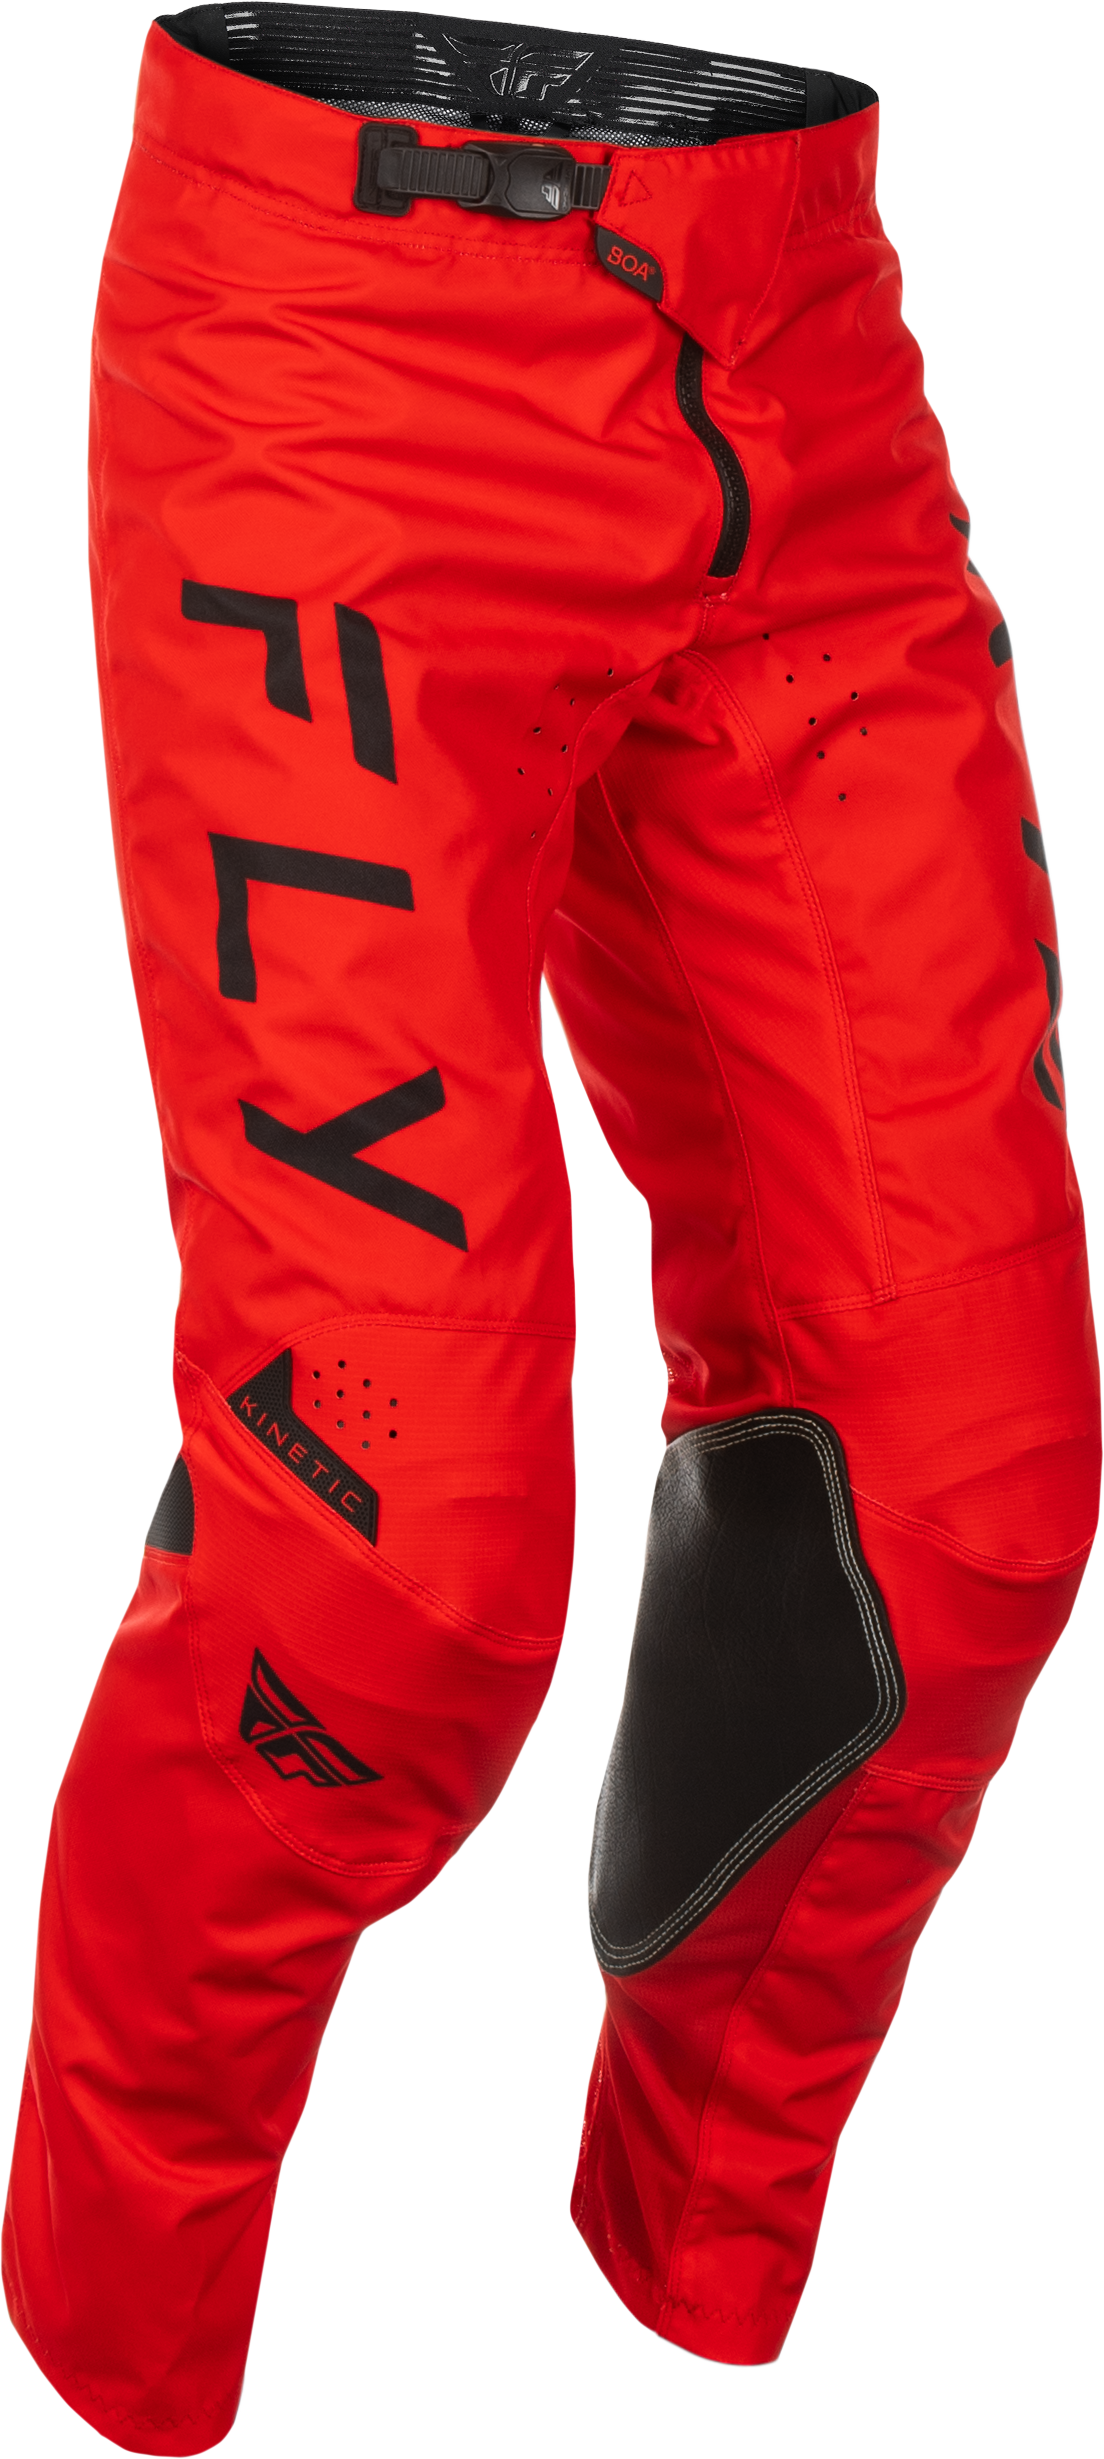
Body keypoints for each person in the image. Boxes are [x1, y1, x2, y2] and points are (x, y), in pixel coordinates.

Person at [4, 9, 1097, 2456]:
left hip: (792, 334)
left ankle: (691, 2346)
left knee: (964, 1500)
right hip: (340, 354)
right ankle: (99, 2403)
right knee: (376, 1568)